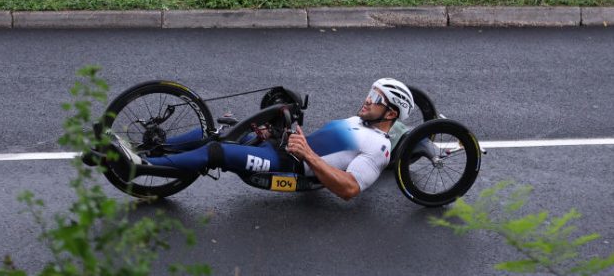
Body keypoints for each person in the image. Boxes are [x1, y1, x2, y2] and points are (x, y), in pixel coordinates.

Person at [105, 78, 415, 201]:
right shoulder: (356, 122)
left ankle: (141, 166)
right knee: (210, 134)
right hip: (280, 146)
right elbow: (325, 143)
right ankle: (139, 149)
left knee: (217, 152)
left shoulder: (379, 147)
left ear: (390, 114)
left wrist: (307, 154)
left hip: (285, 165)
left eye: (377, 98)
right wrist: (276, 132)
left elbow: (349, 188)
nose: (367, 100)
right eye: (371, 93)